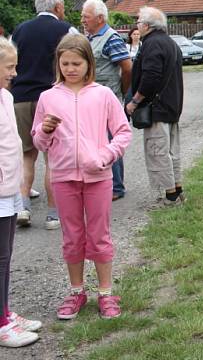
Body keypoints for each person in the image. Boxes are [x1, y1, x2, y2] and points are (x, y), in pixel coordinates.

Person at [31, 34, 132, 321]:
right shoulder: (48, 97)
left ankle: (105, 292)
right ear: (58, 64)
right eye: (65, 64)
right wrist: (46, 130)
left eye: (77, 63)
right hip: (63, 177)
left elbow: (123, 132)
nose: (71, 69)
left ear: (89, 64)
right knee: (72, 235)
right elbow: (38, 142)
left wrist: (106, 155)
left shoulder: (103, 95)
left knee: (99, 235)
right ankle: (76, 291)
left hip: (98, 176)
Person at [11, 0, 77, 229]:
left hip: (20, 98)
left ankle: (23, 208)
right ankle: (52, 214)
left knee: (27, 156)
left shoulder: (19, 30)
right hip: (51, 99)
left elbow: (9, 60)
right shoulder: (66, 30)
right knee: (52, 159)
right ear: (58, 7)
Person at [0, 37, 42, 347]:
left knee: (7, 254)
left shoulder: (4, 95)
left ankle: (4, 311)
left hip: (9, 187)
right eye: (10, 67)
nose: (15, 73)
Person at [125, 7, 184, 204]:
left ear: (147, 25)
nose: (137, 24)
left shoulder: (152, 44)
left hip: (156, 107)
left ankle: (169, 196)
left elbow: (151, 76)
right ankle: (176, 188)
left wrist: (135, 101)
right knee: (171, 151)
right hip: (171, 105)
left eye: (139, 21)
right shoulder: (170, 42)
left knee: (158, 151)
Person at [82, 0, 132, 201]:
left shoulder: (111, 38)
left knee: (111, 140)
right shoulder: (91, 37)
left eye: (86, 16)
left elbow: (127, 67)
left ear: (100, 18)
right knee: (97, 139)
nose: (82, 20)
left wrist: (121, 90)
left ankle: (116, 187)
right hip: (92, 97)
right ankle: (106, 181)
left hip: (107, 97)